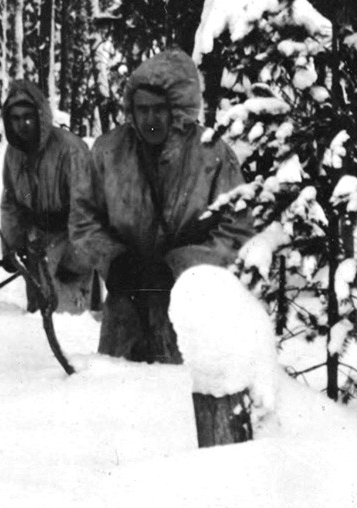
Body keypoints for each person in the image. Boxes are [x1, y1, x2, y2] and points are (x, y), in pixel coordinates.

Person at [70, 48, 248, 363]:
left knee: (178, 399)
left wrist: (180, 266)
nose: (149, 119)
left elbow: (237, 230)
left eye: (158, 110)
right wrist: (114, 260)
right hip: (126, 305)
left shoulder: (212, 154)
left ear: (177, 109)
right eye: (142, 110)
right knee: (119, 394)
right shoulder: (109, 152)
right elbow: (83, 218)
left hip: (189, 308)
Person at [0, 79, 95, 315]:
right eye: (16, 118)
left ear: (40, 115)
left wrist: (76, 261)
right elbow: (11, 202)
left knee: (67, 322)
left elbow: (88, 209)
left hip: (68, 242)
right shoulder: (14, 154)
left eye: (28, 116)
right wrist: (12, 248)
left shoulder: (70, 150)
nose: (22, 124)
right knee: (36, 318)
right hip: (37, 244)